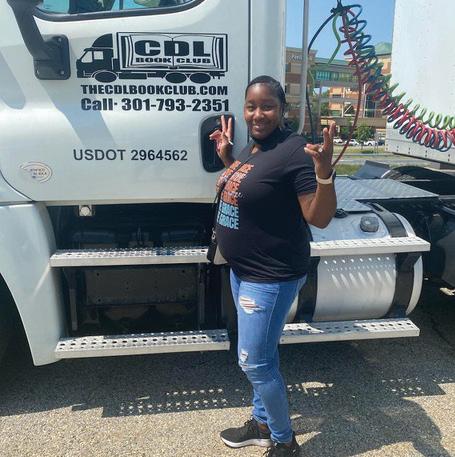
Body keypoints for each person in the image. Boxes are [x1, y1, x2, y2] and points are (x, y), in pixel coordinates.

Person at [209, 75, 337, 457]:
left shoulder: (294, 150)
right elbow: (256, 190)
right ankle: (262, 424)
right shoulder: (253, 148)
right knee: (263, 356)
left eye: (267, 106)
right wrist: (228, 158)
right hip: (244, 272)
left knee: (255, 363)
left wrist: (324, 173)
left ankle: (284, 441)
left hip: (270, 276)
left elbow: (319, 217)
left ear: (283, 110)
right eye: (251, 106)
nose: (257, 114)